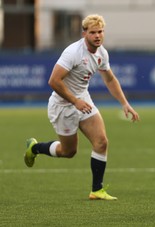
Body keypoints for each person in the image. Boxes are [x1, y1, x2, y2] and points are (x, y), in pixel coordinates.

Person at [24, 14, 140, 201]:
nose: (97, 36)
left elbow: (109, 79)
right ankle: (35, 148)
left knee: (101, 142)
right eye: (92, 32)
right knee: (68, 152)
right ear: (84, 33)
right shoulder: (73, 53)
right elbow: (54, 81)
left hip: (84, 100)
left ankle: (96, 190)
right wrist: (74, 101)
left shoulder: (102, 53)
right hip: (63, 105)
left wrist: (124, 103)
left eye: (100, 32)